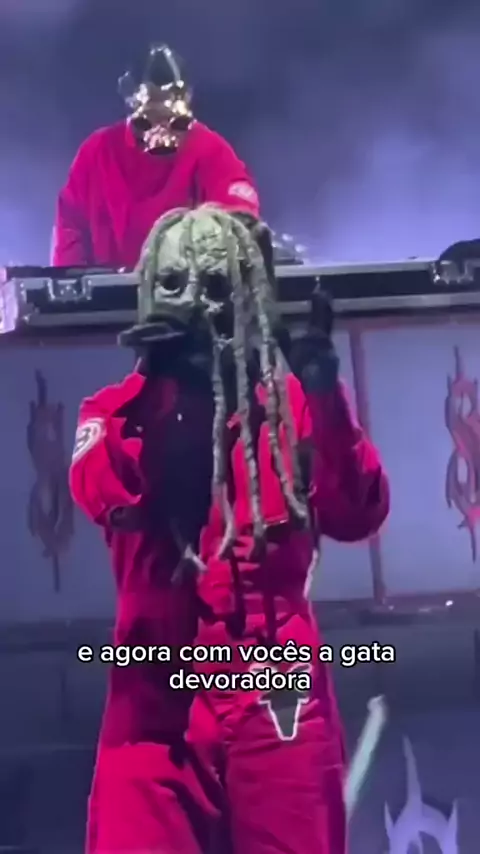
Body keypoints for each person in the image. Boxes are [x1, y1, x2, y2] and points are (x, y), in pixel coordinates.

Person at [70, 206, 390, 854]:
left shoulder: (290, 409)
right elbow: (108, 492)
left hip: (275, 687)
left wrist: (326, 399)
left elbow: (360, 512)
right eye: (176, 285)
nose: (196, 304)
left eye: (215, 288)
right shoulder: (112, 416)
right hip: (155, 693)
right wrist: (171, 390)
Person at [51, 44, 259, 269]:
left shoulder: (211, 151)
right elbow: (70, 227)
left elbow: (239, 220)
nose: (161, 132)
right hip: (110, 285)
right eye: (147, 122)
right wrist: (73, 279)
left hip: (188, 284)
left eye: (175, 123)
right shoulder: (97, 152)